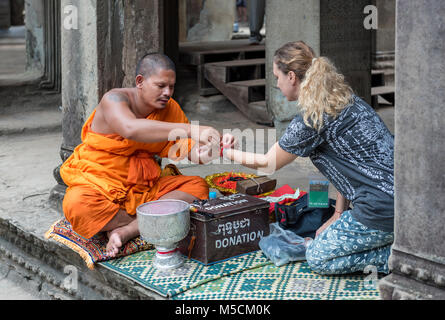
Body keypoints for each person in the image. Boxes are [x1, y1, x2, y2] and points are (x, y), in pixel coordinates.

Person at [223, 41, 394, 275]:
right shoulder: (345, 100)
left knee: (317, 257)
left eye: (277, 77)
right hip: (403, 201)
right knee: (322, 234)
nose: (277, 84)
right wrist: (338, 213)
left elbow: (267, 163)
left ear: (291, 76)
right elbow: (347, 166)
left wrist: (222, 152)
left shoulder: (311, 119)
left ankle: (400, 259)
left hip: (380, 208)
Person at [60, 53, 232, 257]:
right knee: (77, 205)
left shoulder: (170, 109)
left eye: (172, 87)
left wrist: (211, 149)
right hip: (101, 182)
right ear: (140, 81)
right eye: (161, 86)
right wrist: (190, 129)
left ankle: (128, 230)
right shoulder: (114, 99)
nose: (167, 93)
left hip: (145, 186)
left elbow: (186, 150)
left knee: (198, 187)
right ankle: (154, 218)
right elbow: (130, 128)